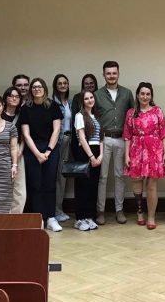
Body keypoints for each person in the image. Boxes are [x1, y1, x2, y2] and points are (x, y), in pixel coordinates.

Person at [123, 83, 165, 229]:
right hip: (136, 149)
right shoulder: (131, 113)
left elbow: (164, 133)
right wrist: (126, 155)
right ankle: (139, 211)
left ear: (151, 96)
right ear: (137, 95)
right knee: (137, 182)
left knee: (151, 185)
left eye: (148, 94)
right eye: (142, 94)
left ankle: (151, 217)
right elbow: (127, 135)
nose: (145, 97)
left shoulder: (157, 111)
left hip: (154, 150)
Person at [20, 77, 63, 231]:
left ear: (44, 89)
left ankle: (51, 217)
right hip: (32, 149)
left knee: (50, 183)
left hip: (51, 148)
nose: (37, 89)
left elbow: (56, 130)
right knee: (35, 184)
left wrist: (48, 151)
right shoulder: (25, 108)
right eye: (34, 87)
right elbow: (26, 134)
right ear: (31, 90)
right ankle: (39, 218)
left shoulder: (53, 106)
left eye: (39, 86)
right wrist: (38, 154)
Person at [95, 61, 134, 225]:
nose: (111, 76)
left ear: (118, 74)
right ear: (104, 75)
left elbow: (133, 116)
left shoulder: (127, 93)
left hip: (121, 140)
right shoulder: (97, 95)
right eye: (108, 73)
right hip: (103, 140)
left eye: (114, 73)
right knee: (102, 177)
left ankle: (119, 210)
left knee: (120, 176)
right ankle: (100, 211)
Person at [73, 91, 103, 231]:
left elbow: (101, 138)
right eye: (86, 98)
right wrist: (91, 157)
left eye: (91, 97)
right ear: (82, 101)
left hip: (97, 152)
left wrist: (101, 155)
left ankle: (90, 217)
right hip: (85, 152)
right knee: (82, 186)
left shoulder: (96, 116)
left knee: (93, 186)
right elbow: (82, 138)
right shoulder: (79, 116)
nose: (90, 100)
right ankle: (80, 219)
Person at [1, 86, 26, 214]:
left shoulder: (22, 115)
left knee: (20, 189)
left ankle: (16, 217)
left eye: (17, 96)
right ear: (5, 98)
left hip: (18, 152)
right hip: (1, 152)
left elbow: (25, 135)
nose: (14, 98)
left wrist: (20, 150)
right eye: (11, 96)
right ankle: (5, 217)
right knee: (3, 187)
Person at [52, 74, 72, 224]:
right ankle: (55, 211)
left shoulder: (69, 103)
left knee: (62, 176)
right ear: (55, 86)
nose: (63, 85)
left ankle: (59, 209)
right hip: (57, 142)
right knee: (55, 177)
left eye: (65, 83)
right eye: (60, 83)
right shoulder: (51, 103)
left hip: (68, 140)